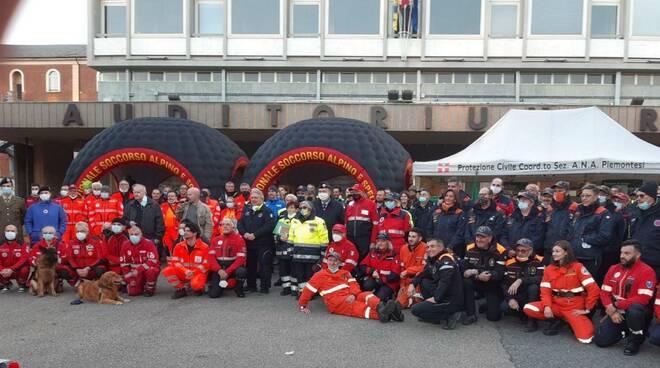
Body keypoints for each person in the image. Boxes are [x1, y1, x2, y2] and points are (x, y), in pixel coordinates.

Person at [523, 240, 600, 343]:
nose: (554, 254)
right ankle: (557, 319)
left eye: (557, 251)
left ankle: (569, 320)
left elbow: (593, 288)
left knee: (585, 338)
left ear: (566, 252)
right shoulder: (549, 269)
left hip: (573, 307)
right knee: (528, 308)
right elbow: (545, 291)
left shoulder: (578, 267)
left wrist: (587, 309)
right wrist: (547, 306)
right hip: (556, 304)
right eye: (553, 251)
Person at [298, 250, 403, 323]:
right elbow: (308, 290)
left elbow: (354, 284)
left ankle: (384, 309)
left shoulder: (345, 272)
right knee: (360, 308)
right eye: (330, 260)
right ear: (327, 261)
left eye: (335, 261)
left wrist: (353, 294)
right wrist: (303, 305)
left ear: (339, 262)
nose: (332, 263)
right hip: (336, 302)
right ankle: (386, 315)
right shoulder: (319, 275)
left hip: (350, 295)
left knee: (366, 295)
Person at [594, 240, 657, 355]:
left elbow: (643, 298)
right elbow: (604, 292)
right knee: (600, 341)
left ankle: (635, 339)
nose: (622, 256)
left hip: (637, 311)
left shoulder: (647, 271)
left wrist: (616, 305)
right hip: (616, 310)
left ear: (637, 255)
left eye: (627, 253)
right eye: (621, 253)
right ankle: (626, 329)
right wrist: (611, 310)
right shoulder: (613, 268)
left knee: (635, 310)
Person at [410, 238, 464, 330]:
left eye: (432, 246)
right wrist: (412, 284)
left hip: (451, 299)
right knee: (424, 281)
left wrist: (436, 298)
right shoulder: (435, 259)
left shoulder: (446, 259)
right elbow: (423, 274)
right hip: (444, 294)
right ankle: (439, 312)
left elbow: (445, 281)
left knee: (415, 310)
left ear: (440, 247)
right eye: (427, 247)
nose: (429, 249)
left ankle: (449, 316)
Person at [567, 184, 614, 278]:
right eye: (582, 196)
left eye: (588, 196)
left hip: (590, 258)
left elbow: (605, 236)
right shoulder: (577, 212)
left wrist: (584, 239)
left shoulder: (603, 213)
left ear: (596, 197)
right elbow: (570, 231)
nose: (584, 198)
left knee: (588, 287)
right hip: (574, 257)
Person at [461, 226, 507, 324]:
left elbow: (499, 273)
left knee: (493, 317)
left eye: (482, 237)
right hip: (476, 280)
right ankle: (471, 315)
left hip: (493, 284)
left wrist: (479, 272)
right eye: (477, 236)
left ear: (490, 238)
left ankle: (487, 304)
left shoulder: (500, 250)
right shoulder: (470, 248)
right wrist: (477, 275)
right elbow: (465, 270)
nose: (478, 239)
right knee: (466, 282)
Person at [502, 238, 544, 332]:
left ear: (530, 250)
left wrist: (521, 280)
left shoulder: (540, 260)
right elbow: (504, 284)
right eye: (518, 250)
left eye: (523, 251)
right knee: (504, 308)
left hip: (533, 296)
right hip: (517, 295)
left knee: (533, 287)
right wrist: (510, 299)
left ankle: (532, 320)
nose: (520, 253)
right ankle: (522, 314)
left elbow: (541, 279)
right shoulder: (509, 262)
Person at [237, 188, 275, 294]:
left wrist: (255, 235)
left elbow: (269, 226)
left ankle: (264, 287)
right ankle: (251, 286)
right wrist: (244, 233)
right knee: (250, 266)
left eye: (256, 198)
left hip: (263, 244)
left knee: (264, 266)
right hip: (249, 243)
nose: (253, 199)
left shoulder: (267, 211)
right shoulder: (247, 210)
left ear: (261, 198)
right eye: (252, 197)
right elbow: (240, 224)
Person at [288, 201, 328, 296]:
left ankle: (310, 294)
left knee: (310, 275)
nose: (302, 209)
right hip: (297, 254)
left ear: (311, 209)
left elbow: (324, 238)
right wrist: (290, 251)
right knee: (300, 275)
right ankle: (303, 293)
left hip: (313, 254)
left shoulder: (319, 221)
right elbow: (290, 237)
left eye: (305, 207)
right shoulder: (295, 220)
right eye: (301, 207)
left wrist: (322, 255)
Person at [162, 220, 210, 299]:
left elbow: (206, 265)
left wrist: (193, 272)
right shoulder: (178, 246)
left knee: (196, 285)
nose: (185, 232)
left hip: (197, 273)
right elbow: (175, 262)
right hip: (184, 272)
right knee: (167, 270)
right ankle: (181, 289)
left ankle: (197, 287)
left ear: (195, 233)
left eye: (188, 231)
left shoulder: (204, 247)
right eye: (184, 230)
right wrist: (185, 271)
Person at [455, 187, 506, 253]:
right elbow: (467, 231)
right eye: (480, 195)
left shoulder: (498, 213)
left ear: (490, 196)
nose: (482, 197)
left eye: (484, 194)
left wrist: (487, 244)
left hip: (490, 249)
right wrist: (471, 244)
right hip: (472, 249)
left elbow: (498, 232)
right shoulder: (472, 212)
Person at [208, 218, 248, 298]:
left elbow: (241, 259)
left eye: (228, 224)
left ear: (233, 227)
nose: (225, 226)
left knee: (241, 271)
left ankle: (238, 288)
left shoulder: (239, 239)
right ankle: (220, 285)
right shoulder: (215, 240)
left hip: (232, 267)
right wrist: (219, 270)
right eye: (223, 224)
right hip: (219, 268)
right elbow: (211, 258)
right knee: (213, 295)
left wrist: (227, 272)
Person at [123, 184, 165, 256]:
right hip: (134, 238)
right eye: (134, 192)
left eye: (138, 192)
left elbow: (160, 222)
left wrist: (158, 237)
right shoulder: (130, 205)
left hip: (150, 238)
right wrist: (129, 223)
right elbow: (124, 219)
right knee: (136, 259)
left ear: (144, 193)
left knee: (150, 260)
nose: (136, 194)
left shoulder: (154, 205)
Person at [629, 182, 660, 278]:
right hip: (636, 263)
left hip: (655, 265)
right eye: (637, 196)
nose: (638, 199)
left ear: (652, 197)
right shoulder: (635, 214)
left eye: (642, 196)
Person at [27, 226, 72, 292]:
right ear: (42, 235)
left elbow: (65, 257)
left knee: (65, 270)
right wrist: (36, 263)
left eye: (50, 233)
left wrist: (57, 261)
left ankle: (59, 281)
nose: (48, 234)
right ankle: (38, 284)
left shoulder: (60, 245)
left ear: (54, 235)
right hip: (41, 269)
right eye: (45, 233)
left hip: (55, 268)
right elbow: (31, 258)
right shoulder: (37, 245)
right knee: (36, 289)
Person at [358, 233, 401, 301]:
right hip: (375, 279)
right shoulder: (372, 253)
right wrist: (371, 271)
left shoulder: (394, 255)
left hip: (388, 283)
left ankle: (389, 296)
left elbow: (395, 275)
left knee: (378, 299)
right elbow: (362, 265)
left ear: (388, 242)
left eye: (383, 241)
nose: (380, 243)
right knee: (367, 285)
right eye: (378, 241)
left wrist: (382, 279)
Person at [597, 185, 626, 283]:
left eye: (603, 194)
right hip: (595, 251)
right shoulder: (595, 209)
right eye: (598, 193)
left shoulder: (616, 213)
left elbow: (621, 235)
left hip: (610, 252)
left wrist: (615, 249)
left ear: (608, 196)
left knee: (607, 277)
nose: (600, 196)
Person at [120, 225, 159, 297]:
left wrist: (138, 270)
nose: (134, 236)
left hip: (146, 269)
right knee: (133, 293)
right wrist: (130, 279)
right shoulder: (125, 245)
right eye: (131, 234)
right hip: (134, 272)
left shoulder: (149, 243)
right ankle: (141, 285)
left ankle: (150, 288)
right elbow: (124, 264)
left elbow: (152, 261)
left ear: (141, 235)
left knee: (151, 271)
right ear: (129, 235)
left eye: (136, 234)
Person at [543, 181, 577, 262]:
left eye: (560, 191)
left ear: (567, 192)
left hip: (565, 250)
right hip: (549, 249)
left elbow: (575, 230)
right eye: (555, 191)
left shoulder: (574, 207)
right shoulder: (550, 208)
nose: (557, 193)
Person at [345, 183, 379, 261]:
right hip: (351, 239)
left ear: (362, 192)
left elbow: (375, 225)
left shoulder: (371, 204)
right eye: (352, 192)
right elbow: (346, 224)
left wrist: (373, 242)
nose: (354, 194)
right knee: (351, 259)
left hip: (364, 239)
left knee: (363, 261)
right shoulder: (350, 205)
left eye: (356, 191)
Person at [396, 228, 426, 308]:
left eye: (413, 237)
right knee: (400, 300)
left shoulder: (426, 248)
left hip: (419, 281)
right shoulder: (403, 248)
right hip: (406, 281)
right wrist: (401, 285)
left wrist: (408, 271)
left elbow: (425, 268)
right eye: (409, 236)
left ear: (420, 238)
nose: (410, 239)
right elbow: (402, 268)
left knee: (403, 301)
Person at [430, 190, 464, 257]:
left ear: (455, 199)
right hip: (436, 249)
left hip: (452, 249)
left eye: (451, 196)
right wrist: (431, 244)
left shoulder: (460, 213)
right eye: (446, 196)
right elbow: (429, 229)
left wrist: (451, 247)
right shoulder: (437, 212)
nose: (448, 198)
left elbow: (460, 233)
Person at [275, 201, 298, 296]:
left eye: (293, 208)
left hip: (294, 249)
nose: (290, 209)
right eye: (289, 208)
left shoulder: (299, 220)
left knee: (294, 270)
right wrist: (279, 238)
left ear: (297, 209)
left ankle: (294, 289)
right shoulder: (282, 220)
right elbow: (277, 234)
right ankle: (286, 288)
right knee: (283, 270)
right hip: (282, 249)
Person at [0, 224, 30, 293]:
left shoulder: (22, 244)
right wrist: (1, 269)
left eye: (12, 231)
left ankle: (22, 284)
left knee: (25, 268)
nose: (10, 232)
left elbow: (24, 258)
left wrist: (12, 269)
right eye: (8, 231)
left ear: (16, 232)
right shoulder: (1, 244)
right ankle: (6, 283)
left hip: (17, 270)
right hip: (4, 271)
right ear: (4, 232)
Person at [0, 178, 25, 243]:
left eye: (8, 186)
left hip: (16, 236)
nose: (6, 188)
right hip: (1, 235)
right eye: (4, 186)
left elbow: (23, 217)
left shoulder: (20, 201)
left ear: (12, 187)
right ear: (1, 188)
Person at [161, 191, 180, 256]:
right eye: (169, 196)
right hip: (166, 231)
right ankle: (171, 263)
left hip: (176, 231)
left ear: (176, 197)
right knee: (168, 247)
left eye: (172, 196)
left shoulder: (180, 205)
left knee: (177, 247)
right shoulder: (163, 205)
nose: (170, 198)